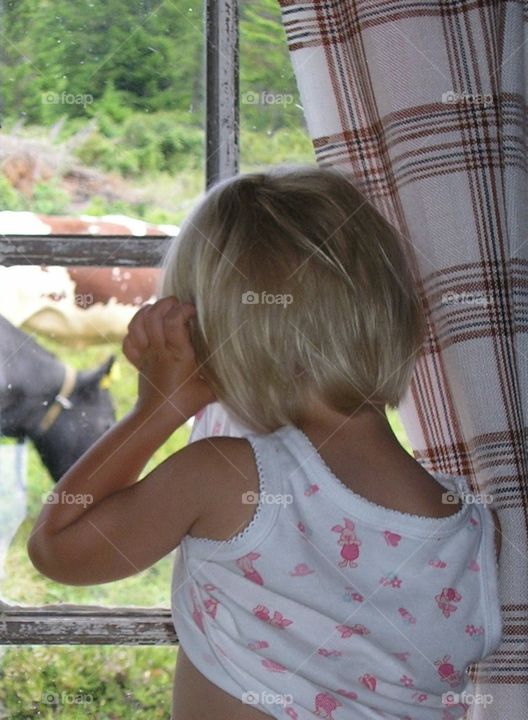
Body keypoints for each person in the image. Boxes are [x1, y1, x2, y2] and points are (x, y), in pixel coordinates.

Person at [27, 166, 502, 719]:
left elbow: (59, 548)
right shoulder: (469, 527)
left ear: (219, 344)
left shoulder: (229, 477)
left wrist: (158, 410)